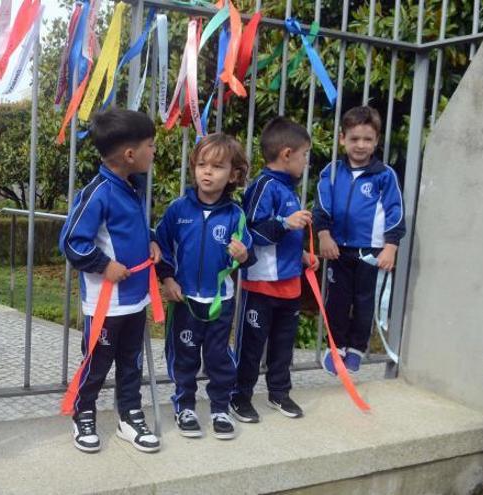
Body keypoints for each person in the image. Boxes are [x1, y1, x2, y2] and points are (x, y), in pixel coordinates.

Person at [59, 108, 162, 453]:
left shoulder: (134, 187)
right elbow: (72, 242)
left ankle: (129, 415)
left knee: (131, 362)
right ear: (130, 155)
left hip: (136, 298)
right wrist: (105, 265)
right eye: (151, 145)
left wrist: (151, 240)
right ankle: (83, 411)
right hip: (106, 303)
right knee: (98, 361)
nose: (155, 151)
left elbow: (131, 228)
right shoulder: (98, 192)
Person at [155, 133, 254, 440]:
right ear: (193, 167)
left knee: (218, 357)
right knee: (184, 355)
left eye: (217, 166)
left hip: (219, 302)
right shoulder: (178, 209)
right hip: (184, 300)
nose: (207, 172)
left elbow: (245, 251)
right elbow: (160, 246)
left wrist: (243, 254)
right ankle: (184, 405)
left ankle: (220, 408)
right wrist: (168, 279)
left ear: (234, 175)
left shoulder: (236, 214)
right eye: (201, 164)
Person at [231, 117, 318, 424]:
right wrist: (285, 223)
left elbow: (286, 236)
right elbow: (251, 232)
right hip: (262, 286)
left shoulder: (288, 188)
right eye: (304, 154)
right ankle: (239, 396)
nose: (306, 162)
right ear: (286, 154)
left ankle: (279, 392)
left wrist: (304, 254)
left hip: (290, 283)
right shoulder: (262, 186)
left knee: (283, 346)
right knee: (252, 347)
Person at [313, 106, 405, 375]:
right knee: (337, 301)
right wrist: (324, 235)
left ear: (376, 141)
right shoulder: (331, 172)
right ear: (342, 138)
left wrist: (390, 247)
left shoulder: (385, 175)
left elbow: (395, 212)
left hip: (371, 252)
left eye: (367, 139)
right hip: (338, 249)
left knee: (365, 302)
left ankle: (356, 349)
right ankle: (336, 347)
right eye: (354, 139)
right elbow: (321, 208)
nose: (361, 145)